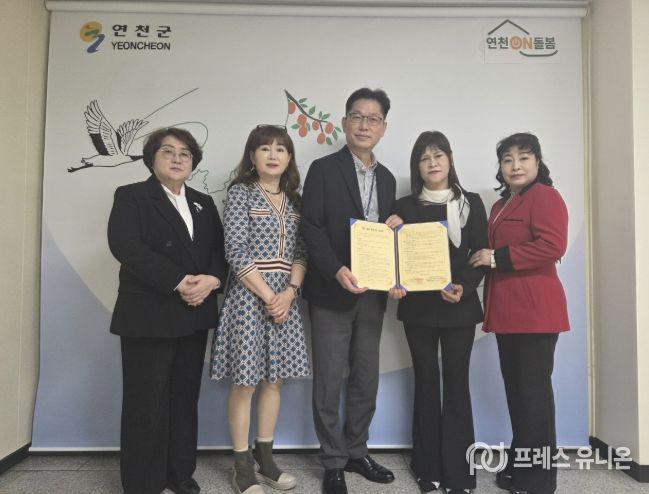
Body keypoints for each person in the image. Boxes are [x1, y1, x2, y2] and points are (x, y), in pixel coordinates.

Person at [107, 127, 227, 494]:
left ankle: (180, 473)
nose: (177, 159)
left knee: (183, 398)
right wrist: (178, 281)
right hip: (149, 313)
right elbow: (126, 245)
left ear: (193, 162)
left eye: (185, 153)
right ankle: (143, 482)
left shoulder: (203, 202)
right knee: (146, 401)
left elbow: (218, 252)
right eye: (168, 151)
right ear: (151, 158)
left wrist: (212, 280)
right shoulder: (131, 196)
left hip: (194, 313)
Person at [301, 88, 402, 494]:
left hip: (373, 294)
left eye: (373, 119)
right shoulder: (323, 169)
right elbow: (311, 226)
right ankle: (332, 461)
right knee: (328, 378)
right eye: (357, 117)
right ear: (344, 123)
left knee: (365, 376)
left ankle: (357, 450)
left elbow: (388, 237)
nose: (364, 125)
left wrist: (397, 239)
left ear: (383, 128)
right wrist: (335, 270)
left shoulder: (389, 178)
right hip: (332, 289)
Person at [210, 125, 310, 494]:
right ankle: (242, 467)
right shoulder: (241, 192)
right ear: (252, 155)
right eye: (264, 148)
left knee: (273, 380)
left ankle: (265, 458)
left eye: (281, 149)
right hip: (249, 299)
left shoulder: (296, 200)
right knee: (245, 382)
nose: (273, 155)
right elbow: (235, 250)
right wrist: (270, 296)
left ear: (289, 158)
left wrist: (290, 293)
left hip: (286, 298)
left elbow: (302, 252)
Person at [469, 132, 569, 494]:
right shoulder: (501, 205)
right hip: (508, 312)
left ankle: (540, 481)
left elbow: (553, 245)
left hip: (535, 312)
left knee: (534, 397)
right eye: (507, 159)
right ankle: (521, 466)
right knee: (519, 394)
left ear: (537, 162)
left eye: (524, 158)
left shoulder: (545, 196)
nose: (515, 165)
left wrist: (497, 257)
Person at [389, 131, 488, 494]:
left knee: (457, 385)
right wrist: (391, 258)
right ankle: (427, 467)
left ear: (449, 159)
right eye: (424, 158)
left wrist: (465, 286)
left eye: (438, 156)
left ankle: (460, 474)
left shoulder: (471, 203)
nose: (432, 163)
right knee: (426, 382)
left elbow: (481, 253)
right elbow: (392, 259)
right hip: (418, 309)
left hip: (459, 307)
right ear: (417, 166)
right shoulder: (403, 207)